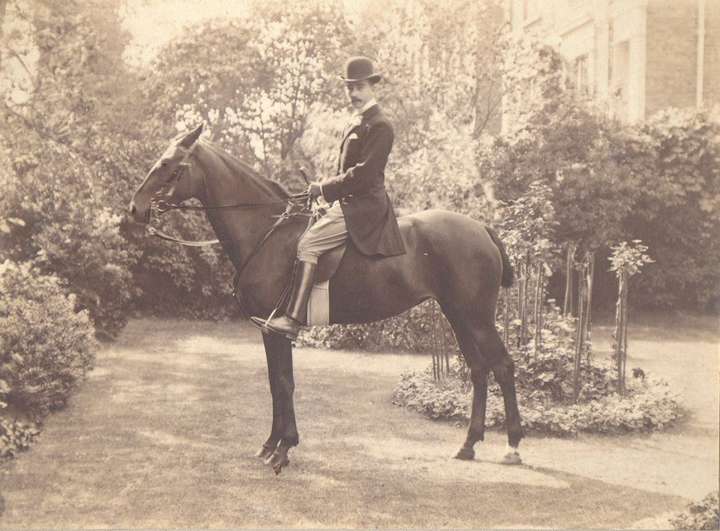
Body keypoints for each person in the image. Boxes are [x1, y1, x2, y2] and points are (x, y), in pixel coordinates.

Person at [251, 56, 406, 339]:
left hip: (365, 207)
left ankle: (293, 320)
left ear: (372, 87)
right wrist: (327, 198)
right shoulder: (357, 123)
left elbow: (364, 175)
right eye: (349, 88)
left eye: (359, 87)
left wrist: (324, 188)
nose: (354, 94)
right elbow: (346, 172)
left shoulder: (380, 125)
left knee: (307, 244)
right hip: (348, 203)